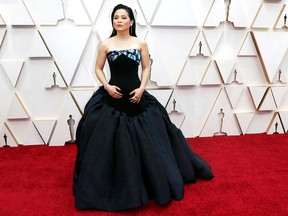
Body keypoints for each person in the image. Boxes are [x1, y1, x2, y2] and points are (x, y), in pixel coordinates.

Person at [73, 4, 214, 212]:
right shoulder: (105, 45)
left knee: (151, 142)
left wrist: (141, 89)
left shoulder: (140, 43)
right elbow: (98, 68)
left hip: (137, 100)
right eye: (115, 18)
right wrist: (107, 86)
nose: (119, 20)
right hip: (112, 100)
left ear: (131, 21)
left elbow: (147, 67)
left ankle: (147, 182)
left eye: (123, 17)